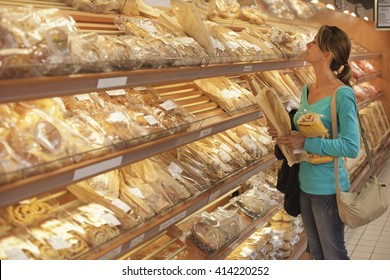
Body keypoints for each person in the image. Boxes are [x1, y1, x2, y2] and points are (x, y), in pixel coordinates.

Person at [271, 25, 360, 260]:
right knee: (316, 253)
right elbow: (303, 131)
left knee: (334, 254)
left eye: (314, 42)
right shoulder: (307, 90)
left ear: (327, 54)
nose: (308, 45)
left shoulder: (342, 94)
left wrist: (306, 142)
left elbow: (351, 146)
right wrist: (283, 133)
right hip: (304, 184)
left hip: (328, 188)